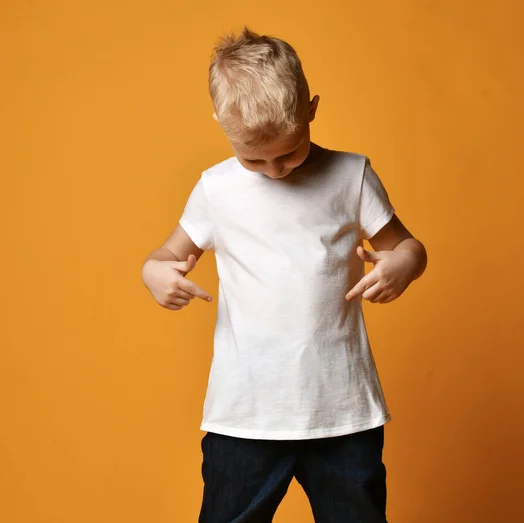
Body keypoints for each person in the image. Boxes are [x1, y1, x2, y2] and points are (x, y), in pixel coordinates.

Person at [142, 27, 427, 523]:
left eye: (290, 153)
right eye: (253, 158)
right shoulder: (216, 188)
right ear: (221, 125)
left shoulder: (350, 175)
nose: (275, 170)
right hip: (246, 414)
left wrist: (403, 263)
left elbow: (407, 246)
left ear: (311, 110)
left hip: (342, 412)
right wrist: (156, 274)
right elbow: (165, 254)